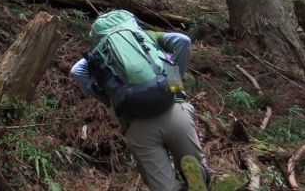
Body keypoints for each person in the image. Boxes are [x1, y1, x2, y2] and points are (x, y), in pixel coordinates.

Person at [70, 13, 209, 191]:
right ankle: (195, 179)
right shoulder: (146, 35)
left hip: (136, 123)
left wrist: (105, 98)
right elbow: (182, 41)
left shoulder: (97, 53)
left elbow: (76, 70)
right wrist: (175, 83)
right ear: (130, 21)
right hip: (175, 111)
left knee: (164, 186)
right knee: (196, 173)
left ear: (100, 33)